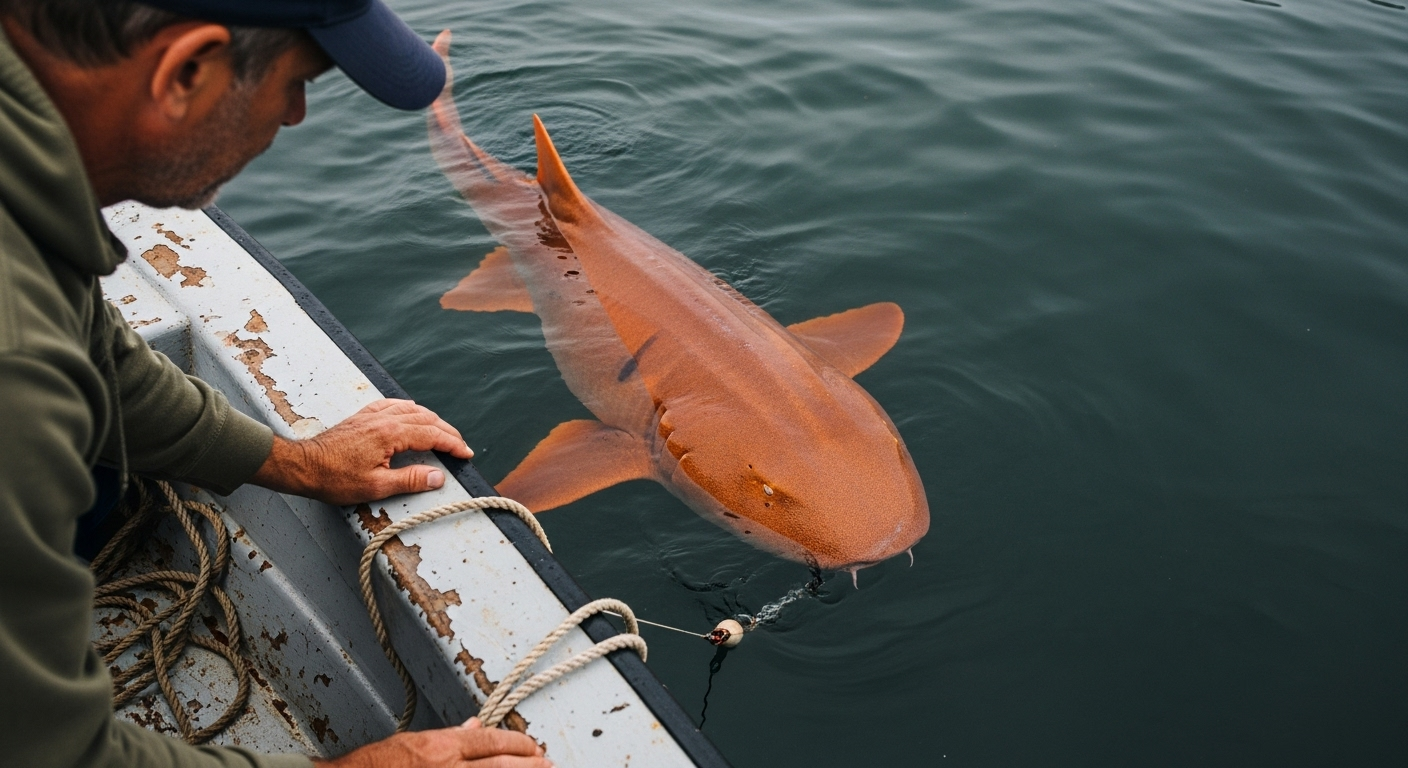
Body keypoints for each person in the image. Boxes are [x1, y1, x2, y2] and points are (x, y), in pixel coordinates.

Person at [0, 1, 552, 766]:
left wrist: (293, 462)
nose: (294, 115)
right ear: (186, 71)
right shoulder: (16, 364)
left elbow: (97, 355)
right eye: (298, 81)